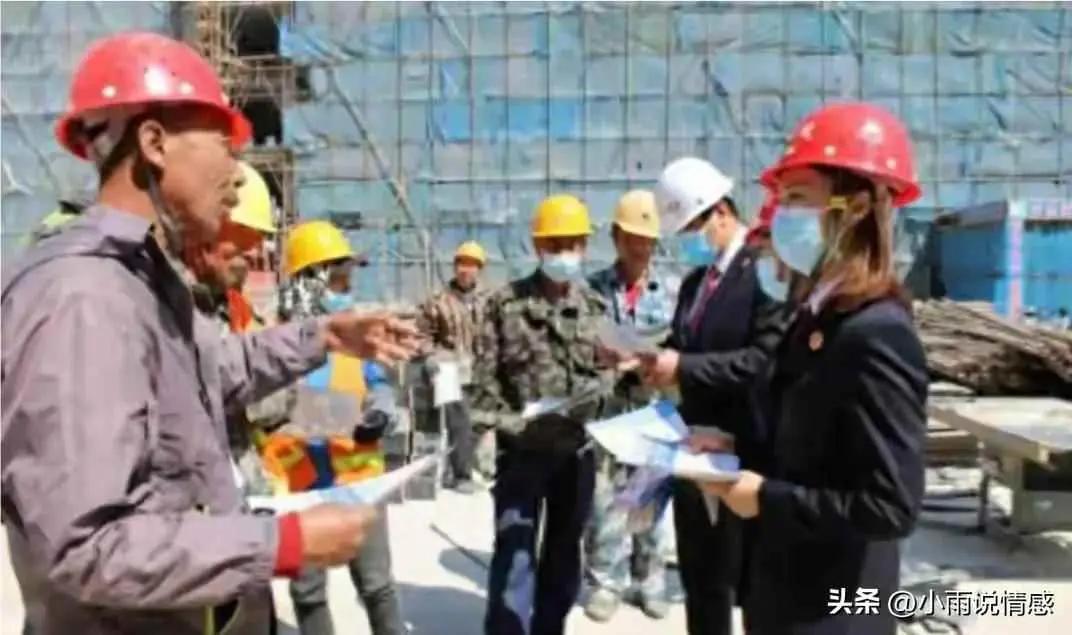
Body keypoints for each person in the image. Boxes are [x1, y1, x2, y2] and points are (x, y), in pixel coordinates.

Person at [0, 32, 418, 635]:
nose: (238, 175)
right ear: (154, 144)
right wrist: (283, 542)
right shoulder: (84, 297)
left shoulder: (141, 280)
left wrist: (325, 335)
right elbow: (91, 545)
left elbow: (211, 372)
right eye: (225, 145)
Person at [695, 102, 930, 635]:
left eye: (797, 198)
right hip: (784, 593)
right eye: (780, 199)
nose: (780, 215)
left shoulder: (876, 333)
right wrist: (735, 450)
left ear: (857, 208)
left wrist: (766, 498)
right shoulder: (817, 317)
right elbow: (812, 449)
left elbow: (889, 506)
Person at [639, 157, 788, 635]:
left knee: (752, 586)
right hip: (693, 450)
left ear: (721, 212)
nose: (689, 241)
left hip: (745, 451)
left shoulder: (765, 271)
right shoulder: (695, 284)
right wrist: (646, 359)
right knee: (702, 581)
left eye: (692, 228)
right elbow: (684, 345)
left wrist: (682, 366)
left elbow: (763, 361)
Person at [471, 194, 612, 635]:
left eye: (573, 243)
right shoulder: (504, 305)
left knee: (564, 555)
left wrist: (600, 396)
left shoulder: (596, 309)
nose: (564, 253)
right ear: (537, 246)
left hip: (576, 454)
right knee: (514, 554)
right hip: (522, 453)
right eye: (555, 244)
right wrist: (508, 426)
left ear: (585, 246)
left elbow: (608, 376)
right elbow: (483, 385)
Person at [275, 219, 405, 635]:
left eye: (347, 279)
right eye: (337, 279)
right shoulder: (274, 343)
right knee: (308, 593)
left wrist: (381, 411)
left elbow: (378, 383)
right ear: (307, 281)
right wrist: (343, 420)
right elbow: (274, 410)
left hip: (359, 482)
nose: (345, 289)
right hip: (303, 485)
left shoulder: (357, 333)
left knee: (378, 586)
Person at [583, 189, 679, 622]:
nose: (641, 247)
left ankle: (649, 580)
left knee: (649, 498)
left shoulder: (673, 291)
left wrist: (654, 361)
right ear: (616, 237)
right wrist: (601, 355)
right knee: (606, 500)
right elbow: (579, 343)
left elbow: (682, 345)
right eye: (633, 238)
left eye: (648, 239)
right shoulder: (592, 290)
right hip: (607, 409)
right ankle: (607, 581)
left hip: (655, 410)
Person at [417, 240, 491, 493]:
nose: (466, 270)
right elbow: (423, 334)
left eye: (472, 265)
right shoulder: (438, 301)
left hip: (480, 368)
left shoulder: (488, 300)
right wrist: (430, 356)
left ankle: (462, 465)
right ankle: (461, 476)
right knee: (459, 420)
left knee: (480, 421)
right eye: (462, 264)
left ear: (480, 269)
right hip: (449, 367)